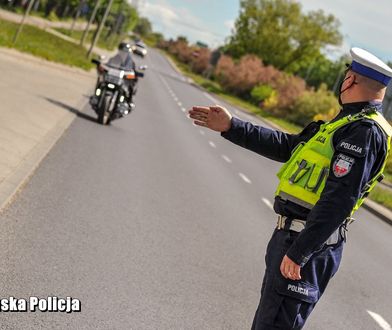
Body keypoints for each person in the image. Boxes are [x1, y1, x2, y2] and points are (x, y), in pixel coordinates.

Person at [188, 47, 392, 329]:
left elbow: (340, 199)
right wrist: (232, 126)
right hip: (292, 237)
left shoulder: (364, 132)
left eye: (346, 75)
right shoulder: (344, 123)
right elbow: (288, 146)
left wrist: (300, 252)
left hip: (305, 243)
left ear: (351, 81)